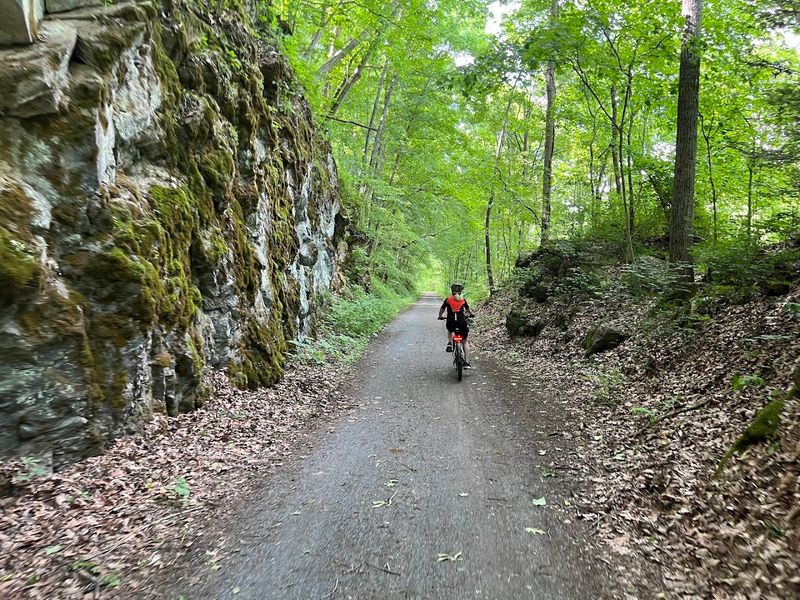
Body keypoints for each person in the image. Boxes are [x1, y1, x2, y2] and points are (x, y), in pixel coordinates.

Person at [438, 283, 476, 368]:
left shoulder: (448, 300)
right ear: (460, 292)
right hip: (462, 322)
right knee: (465, 341)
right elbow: (468, 310)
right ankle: (466, 362)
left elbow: (442, 309)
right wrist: (472, 314)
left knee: (450, 330)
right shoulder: (463, 300)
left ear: (452, 291)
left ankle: (450, 343)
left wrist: (440, 316)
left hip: (451, 321)